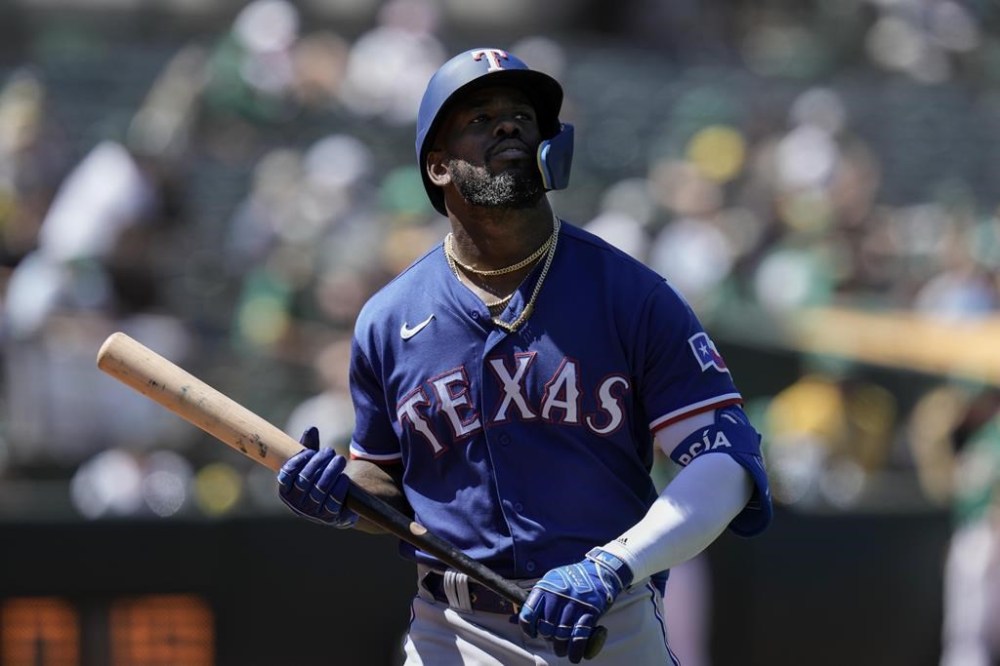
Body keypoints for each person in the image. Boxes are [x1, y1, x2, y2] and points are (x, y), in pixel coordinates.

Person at [277, 47, 773, 665]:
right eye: (480, 119)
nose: (509, 125)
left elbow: (726, 463)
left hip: (606, 622)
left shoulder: (630, 293)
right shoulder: (389, 318)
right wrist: (338, 494)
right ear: (437, 166)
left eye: (523, 116)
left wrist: (615, 565)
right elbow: (386, 484)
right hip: (454, 632)